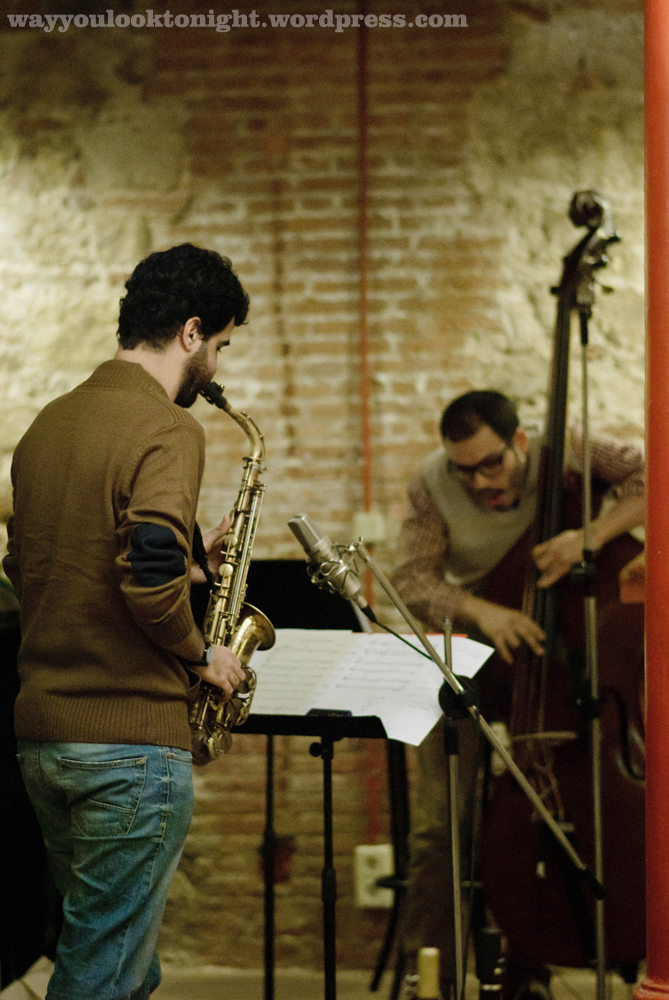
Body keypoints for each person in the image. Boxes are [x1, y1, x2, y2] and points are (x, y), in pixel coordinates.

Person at [2, 243, 249, 1000]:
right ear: (190, 332)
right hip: (128, 745)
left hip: (44, 740)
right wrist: (202, 653)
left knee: (120, 960)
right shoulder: (167, 429)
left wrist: (189, 563)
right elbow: (145, 581)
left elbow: (32, 566)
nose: (216, 365)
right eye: (220, 345)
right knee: (103, 972)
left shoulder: (48, 424)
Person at [391, 390, 645, 1000]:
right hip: (485, 651)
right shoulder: (431, 483)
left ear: (520, 442)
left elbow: (653, 476)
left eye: (493, 464)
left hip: (570, 653)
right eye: (466, 470)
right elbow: (412, 581)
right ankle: (432, 977)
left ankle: (534, 957)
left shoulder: (571, 448)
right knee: (444, 825)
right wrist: (483, 610)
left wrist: (590, 536)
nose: (481, 482)